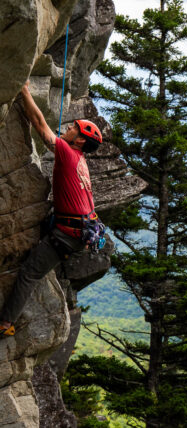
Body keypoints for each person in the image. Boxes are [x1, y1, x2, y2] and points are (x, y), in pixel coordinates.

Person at [0, 81, 103, 337]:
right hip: (77, 231)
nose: (68, 128)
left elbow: (39, 124)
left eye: (73, 128)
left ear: (79, 140)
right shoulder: (81, 160)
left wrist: (23, 90)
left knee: (29, 275)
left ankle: (3, 324)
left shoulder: (68, 153)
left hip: (67, 234)